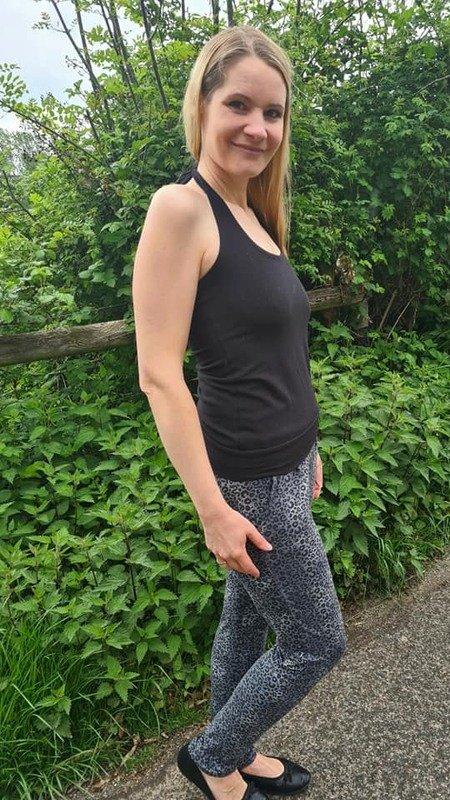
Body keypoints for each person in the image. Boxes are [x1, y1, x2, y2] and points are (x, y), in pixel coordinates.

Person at [132, 24, 347, 800]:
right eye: (239, 105)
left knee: (245, 621)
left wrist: (309, 446)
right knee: (316, 640)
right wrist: (213, 511)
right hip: (248, 479)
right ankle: (214, 757)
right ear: (202, 105)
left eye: (273, 112)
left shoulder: (254, 211)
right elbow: (159, 376)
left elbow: (278, 353)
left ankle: (236, 749)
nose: (258, 126)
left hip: (288, 463)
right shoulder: (180, 210)